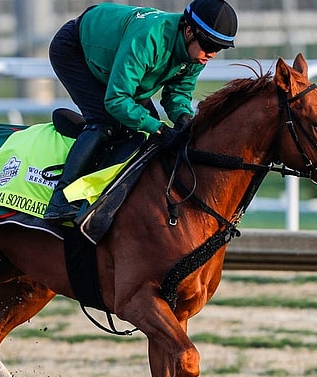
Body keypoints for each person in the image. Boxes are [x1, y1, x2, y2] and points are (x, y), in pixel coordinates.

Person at [44, 0, 238, 224]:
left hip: (120, 60)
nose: (212, 54)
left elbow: (178, 94)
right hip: (75, 49)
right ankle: (60, 199)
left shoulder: (197, 51)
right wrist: (158, 128)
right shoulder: (150, 39)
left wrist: (184, 118)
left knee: (148, 138)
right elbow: (116, 99)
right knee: (106, 123)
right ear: (188, 30)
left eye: (219, 48)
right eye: (209, 45)